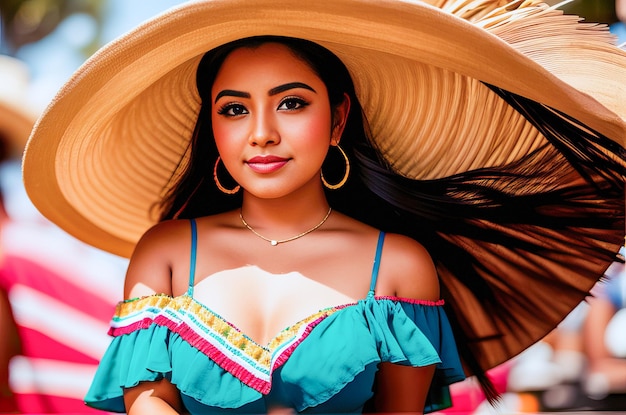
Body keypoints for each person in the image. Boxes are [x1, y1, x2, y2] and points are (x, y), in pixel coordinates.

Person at [21, 0, 626, 414]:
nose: (260, 133)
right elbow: (147, 401)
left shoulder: (399, 266)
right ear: (214, 129)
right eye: (234, 109)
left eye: (290, 104)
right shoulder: (167, 252)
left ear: (337, 118)